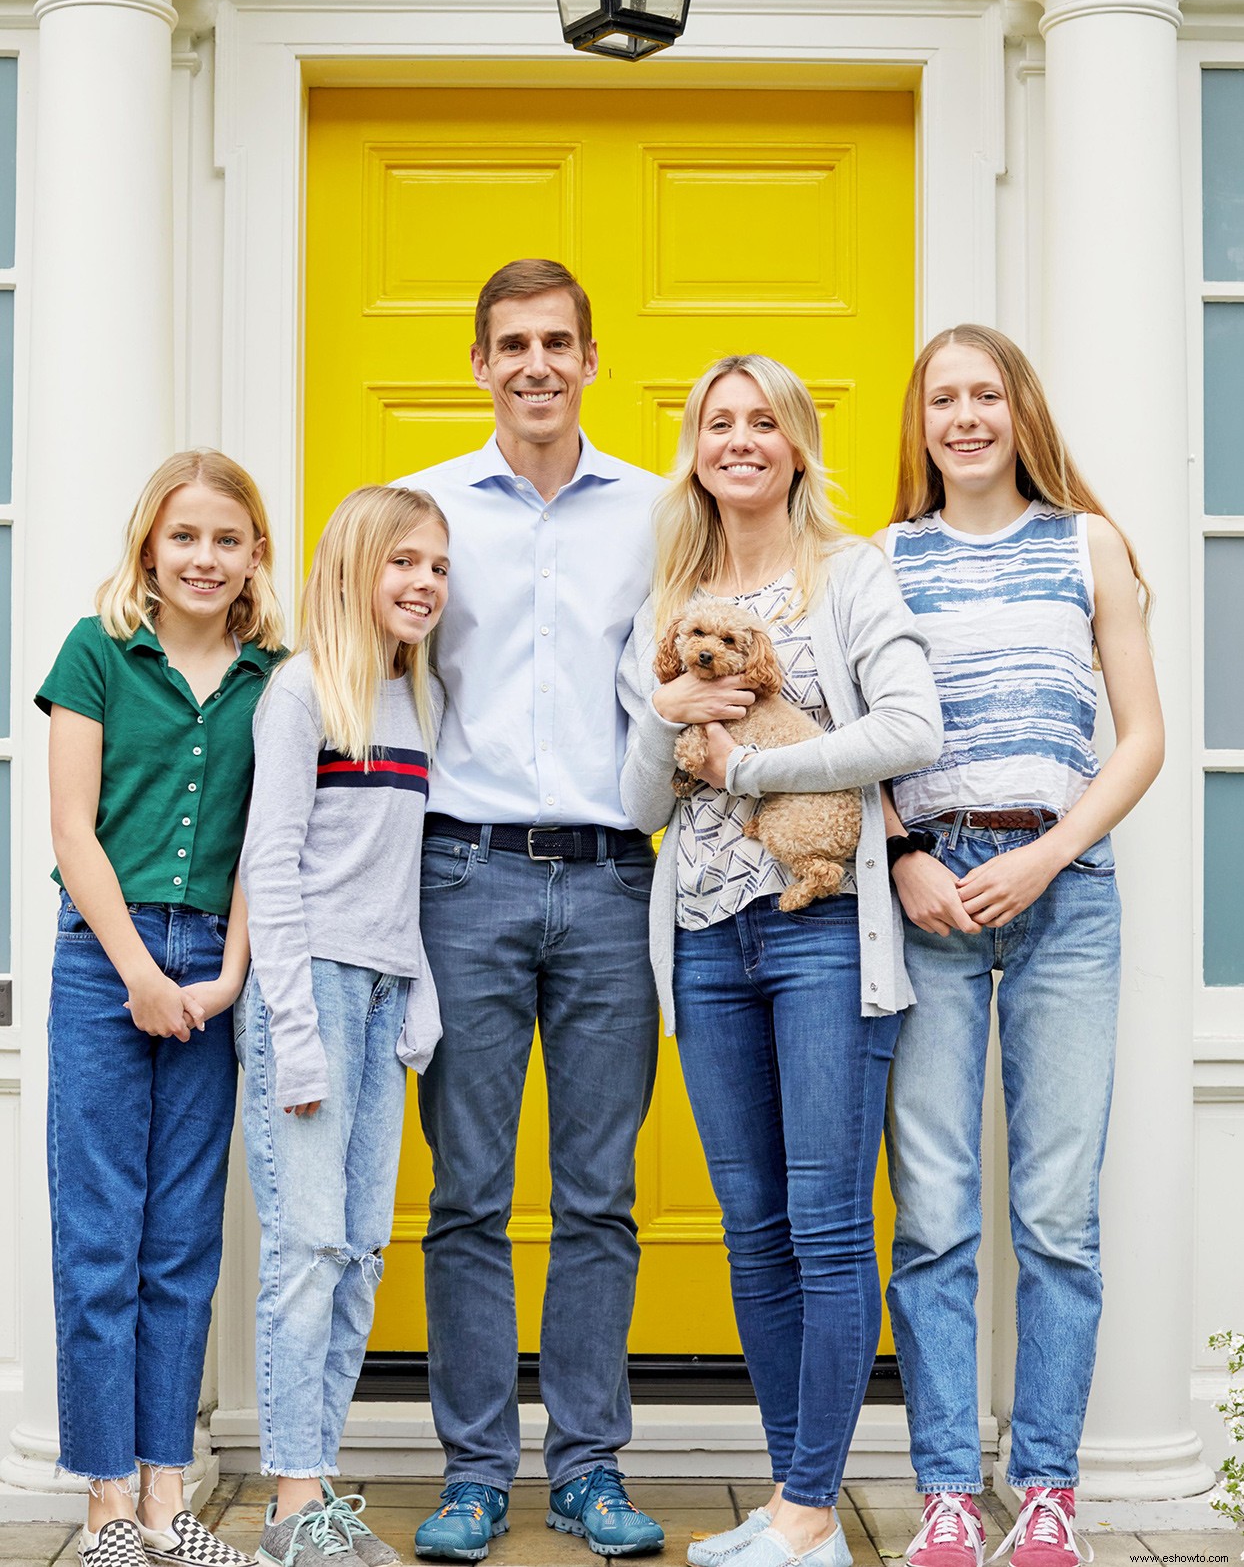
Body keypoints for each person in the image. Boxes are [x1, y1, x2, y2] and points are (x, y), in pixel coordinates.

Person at [618, 354, 943, 1567]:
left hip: (821, 934)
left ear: (798, 445)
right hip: (703, 942)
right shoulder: (669, 597)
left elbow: (908, 729)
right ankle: (786, 1497)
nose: (739, 440)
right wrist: (667, 721)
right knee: (751, 1226)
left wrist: (747, 767)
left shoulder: (851, 574)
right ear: (694, 447)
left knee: (821, 1223)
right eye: (717, 422)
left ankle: (813, 1504)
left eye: (764, 423)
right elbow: (635, 797)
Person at [878, 326, 1163, 1567]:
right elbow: (855, 735)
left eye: (984, 393)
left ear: (1018, 409)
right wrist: (904, 859)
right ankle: (948, 1489)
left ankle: (1041, 1492)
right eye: (942, 398)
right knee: (934, 1214)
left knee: (1053, 1214)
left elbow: (1141, 739)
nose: (965, 416)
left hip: (1064, 893)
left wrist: (1047, 854)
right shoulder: (882, 560)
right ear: (921, 422)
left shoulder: (1084, 544)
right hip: (931, 903)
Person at [398, 258, 666, 1564]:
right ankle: (471, 1473)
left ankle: (590, 1469)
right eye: (512, 344)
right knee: (466, 1191)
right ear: (480, 362)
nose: (537, 365)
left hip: (617, 878)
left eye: (558, 341)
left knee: (603, 1194)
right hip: (466, 874)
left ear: (593, 358)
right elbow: (373, 680)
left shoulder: (658, 513)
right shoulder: (426, 510)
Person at [38, 449, 283, 1567]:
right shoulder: (97, 653)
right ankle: (102, 1507)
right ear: (150, 544)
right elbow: (72, 829)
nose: (204, 557)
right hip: (105, 960)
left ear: (252, 557)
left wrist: (227, 976)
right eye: (184, 536)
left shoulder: (270, 677)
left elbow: (260, 845)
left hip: (210, 971)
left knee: (181, 1240)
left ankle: (165, 1500)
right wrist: (137, 969)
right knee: (100, 1236)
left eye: (226, 539)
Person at [238, 485, 448, 1567]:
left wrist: (416, 992)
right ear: (354, 567)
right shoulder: (300, 692)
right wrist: (294, 1029)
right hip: (309, 993)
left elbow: (399, 876)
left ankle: (312, 1494)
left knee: (361, 1249)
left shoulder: (414, 698)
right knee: (307, 1249)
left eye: (436, 568)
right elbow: (268, 866)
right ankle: (289, 1499)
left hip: (378, 993)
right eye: (402, 562)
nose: (422, 584)